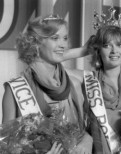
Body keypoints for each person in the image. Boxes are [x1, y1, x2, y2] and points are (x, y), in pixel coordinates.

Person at [2, 15, 92, 154]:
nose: (63, 45)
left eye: (65, 38)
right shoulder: (15, 89)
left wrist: (88, 139)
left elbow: (85, 129)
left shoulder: (73, 82)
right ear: (36, 43)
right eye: (55, 38)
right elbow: (5, 147)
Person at [82, 24, 121, 153]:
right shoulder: (87, 81)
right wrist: (83, 50)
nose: (114, 51)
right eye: (107, 45)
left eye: (120, 45)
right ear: (98, 51)